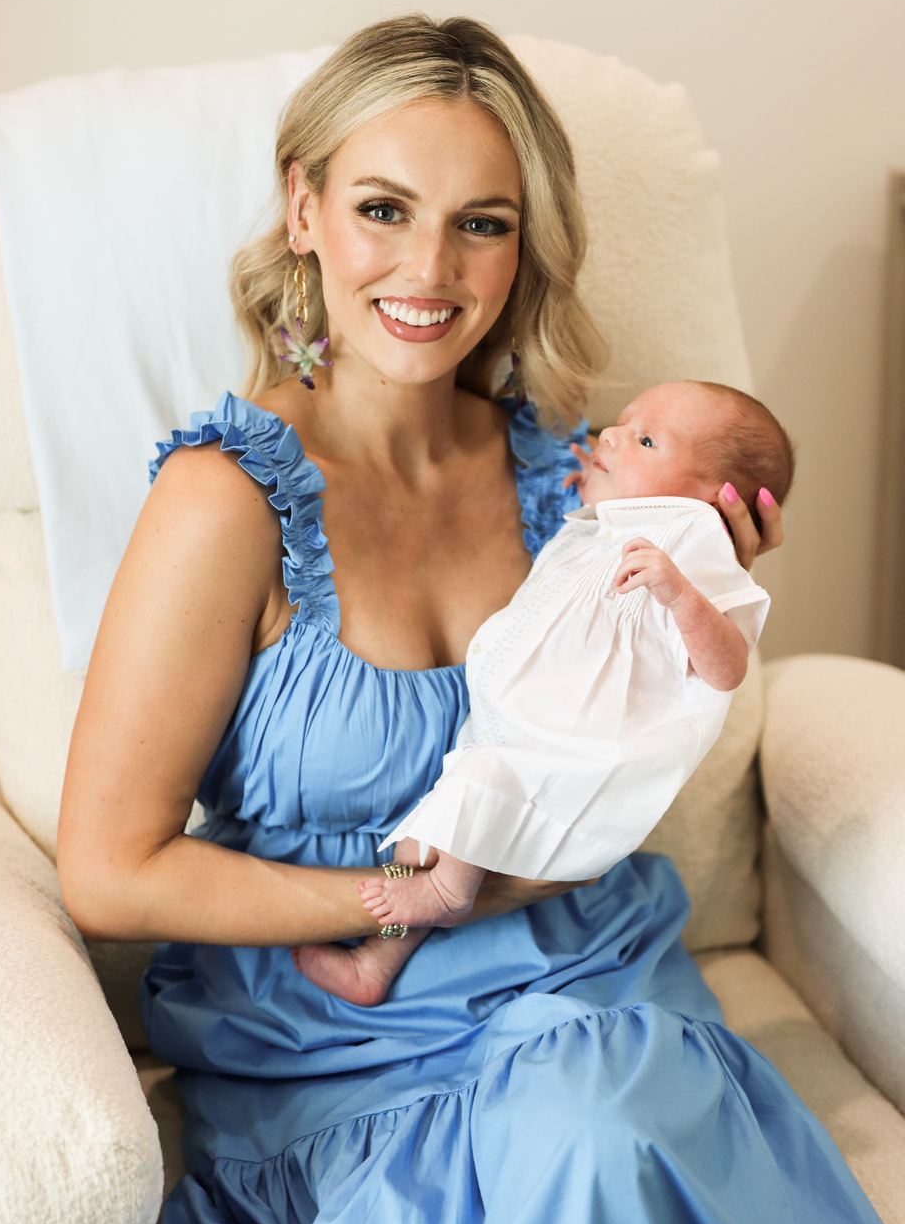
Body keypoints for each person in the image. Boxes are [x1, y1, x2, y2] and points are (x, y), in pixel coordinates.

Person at [55, 15, 904, 1224]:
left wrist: (704, 598)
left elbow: (619, 749)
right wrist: (411, 896)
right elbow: (110, 872)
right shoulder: (224, 505)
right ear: (304, 209)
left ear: (524, 246)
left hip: (584, 993)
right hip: (340, 1045)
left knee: (595, 1133)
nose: (431, 268)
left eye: (482, 223)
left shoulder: (585, 481)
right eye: (383, 209)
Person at [294, 380, 790, 1007]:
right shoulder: (612, 520)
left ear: (712, 498)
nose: (613, 435)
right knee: (433, 838)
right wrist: (599, 487)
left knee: (471, 809)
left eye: (645, 440)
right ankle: (377, 963)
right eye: (624, 421)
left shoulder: (693, 535)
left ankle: (447, 897)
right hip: (509, 724)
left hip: (568, 747)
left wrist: (682, 595)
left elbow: (726, 668)